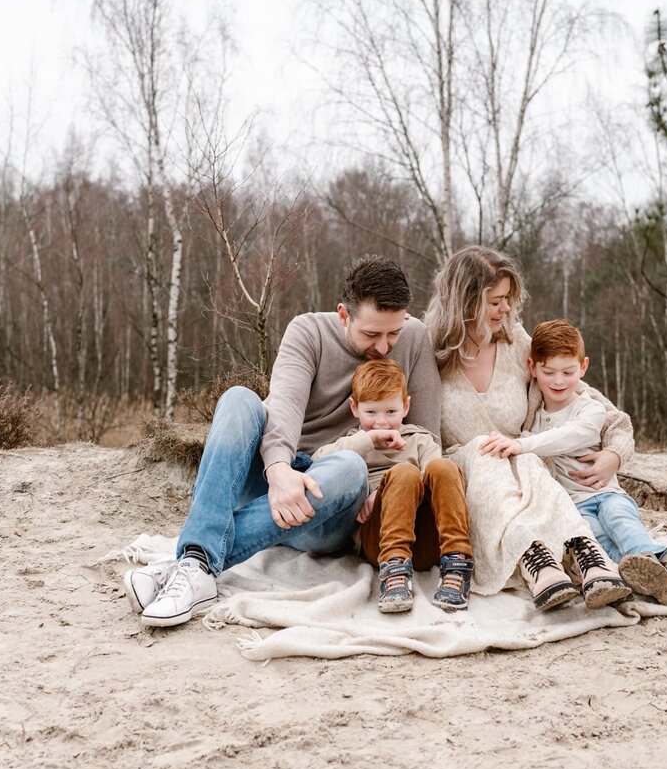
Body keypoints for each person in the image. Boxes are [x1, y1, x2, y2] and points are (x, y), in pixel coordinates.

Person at [123, 255, 442, 628]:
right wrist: (278, 471)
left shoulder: (416, 337)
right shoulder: (307, 332)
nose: (385, 347)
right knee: (240, 398)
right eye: (372, 334)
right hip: (277, 486)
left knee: (349, 466)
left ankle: (192, 561)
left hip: (335, 500)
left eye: (394, 334)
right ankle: (196, 563)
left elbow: (424, 434)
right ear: (344, 315)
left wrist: (386, 491)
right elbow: (284, 409)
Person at [425, 246, 632, 612]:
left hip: (524, 463)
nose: (506, 309)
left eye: (508, 299)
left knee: (530, 459)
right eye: (496, 301)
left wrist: (615, 454)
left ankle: (588, 556)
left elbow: (598, 406)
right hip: (464, 474)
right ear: (466, 302)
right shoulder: (428, 350)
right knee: (487, 453)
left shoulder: (516, 342)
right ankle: (536, 559)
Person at [480, 318, 667, 608]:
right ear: (533, 369)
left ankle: (664, 561)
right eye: (549, 372)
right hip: (572, 507)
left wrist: (521, 444)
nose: (558, 381)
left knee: (620, 522)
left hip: (605, 493)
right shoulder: (532, 416)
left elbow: (569, 436)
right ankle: (663, 580)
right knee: (597, 543)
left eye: (568, 372)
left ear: (583, 368)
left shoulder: (589, 408)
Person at [313, 359, 474, 613]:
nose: (381, 422)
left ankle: (456, 562)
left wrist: (384, 492)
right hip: (379, 541)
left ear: (405, 406)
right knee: (403, 473)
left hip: (427, 538)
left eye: (390, 412)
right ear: (354, 408)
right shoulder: (350, 443)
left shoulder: (420, 440)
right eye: (371, 412)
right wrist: (366, 444)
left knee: (442, 467)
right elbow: (318, 462)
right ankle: (395, 573)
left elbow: (438, 485)